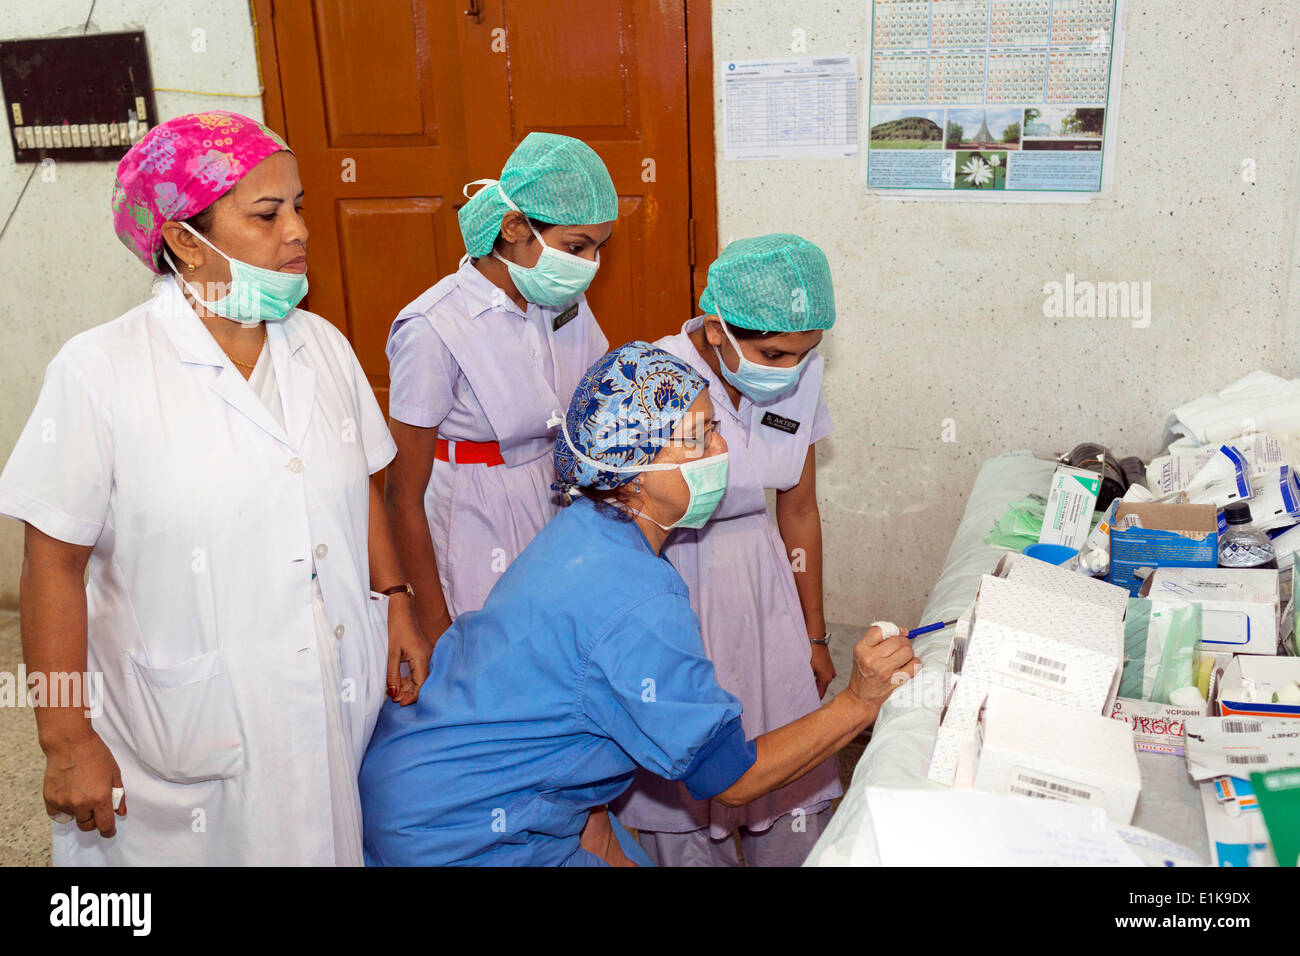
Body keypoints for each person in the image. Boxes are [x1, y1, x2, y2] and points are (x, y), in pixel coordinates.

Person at [0, 111, 430, 866]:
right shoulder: (100, 372)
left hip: (327, 695)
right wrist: (65, 739)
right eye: (266, 214)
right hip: (182, 731)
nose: (297, 230)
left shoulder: (321, 346)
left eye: (297, 204)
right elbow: (52, 566)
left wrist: (394, 598)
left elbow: (359, 480)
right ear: (181, 241)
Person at [358, 342, 919, 866]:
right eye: (698, 440)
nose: (721, 450)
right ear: (632, 475)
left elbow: (568, 728)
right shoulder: (639, 600)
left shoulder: (582, 529)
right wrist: (858, 704)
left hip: (427, 783)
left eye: (716, 430)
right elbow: (729, 777)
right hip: (462, 832)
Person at [613, 234, 842, 866]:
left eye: (807, 352)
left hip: (761, 581)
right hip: (672, 581)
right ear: (717, 330)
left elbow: (797, 510)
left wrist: (813, 637)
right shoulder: (652, 378)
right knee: (684, 773)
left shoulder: (794, 372)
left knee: (782, 762)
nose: (790, 369)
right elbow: (618, 513)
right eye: (774, 353)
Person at [382, 132, 618, 644]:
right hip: (474, 512)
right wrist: (432, 623)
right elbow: (402, 495)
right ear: (514, 227)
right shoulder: (434, 326)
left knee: (558, 649)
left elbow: (592, 401)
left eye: (599, 248)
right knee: (488, 654)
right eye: (576, 247)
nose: (589, 265)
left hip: (556, 495)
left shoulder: (561, 299)